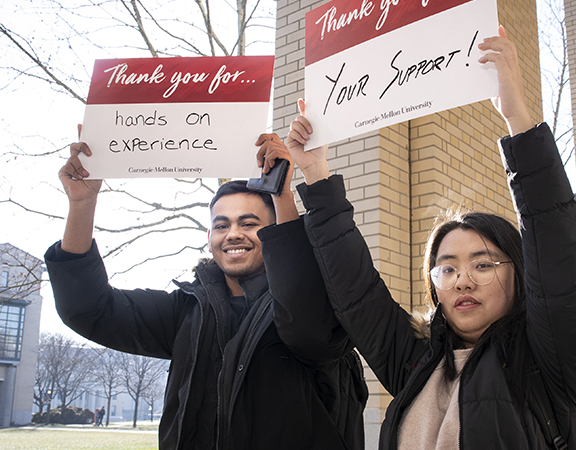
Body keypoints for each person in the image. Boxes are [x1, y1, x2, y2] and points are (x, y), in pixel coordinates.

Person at [284, 26, 576, 449]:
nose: (462, 280)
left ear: (521, 275)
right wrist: (315, 175)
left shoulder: (551, 360)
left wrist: (518, 119)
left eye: (483, 264)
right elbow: (355, 291)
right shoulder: (415, 360)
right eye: (447, 268)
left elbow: (557, 251)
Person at [44, 133, 367, 449]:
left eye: (250, 223)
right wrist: (82, 204)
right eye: (222, 225)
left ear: (275, 233)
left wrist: (282, 196)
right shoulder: (186, 311)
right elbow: (88, 310)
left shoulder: (320, 306)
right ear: (209, 236)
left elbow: (308, 327)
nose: (234, 234)